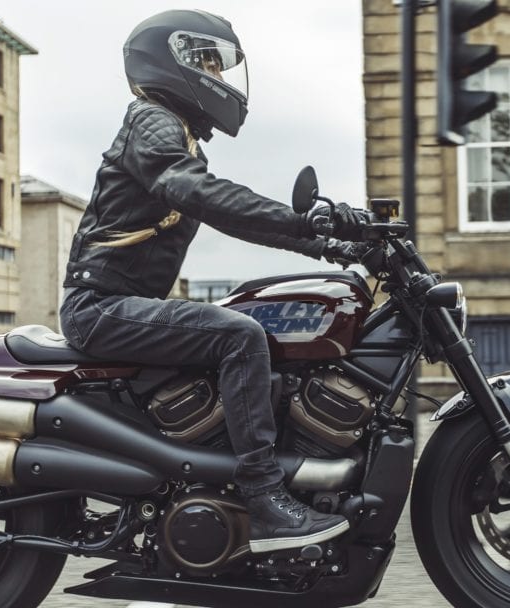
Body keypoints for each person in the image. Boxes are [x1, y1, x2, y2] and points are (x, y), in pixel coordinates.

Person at [59, 9, 366, 553]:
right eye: (208, 64)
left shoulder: (174, 136)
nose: (220, 80)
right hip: (101, 306)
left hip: (120, 304)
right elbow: (203, 195)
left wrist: (330, 246)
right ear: (170, 60)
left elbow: (232, 215)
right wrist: (306, 222)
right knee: (239, 334)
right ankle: (264, 499)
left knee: (250, 326)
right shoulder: (151, 122)